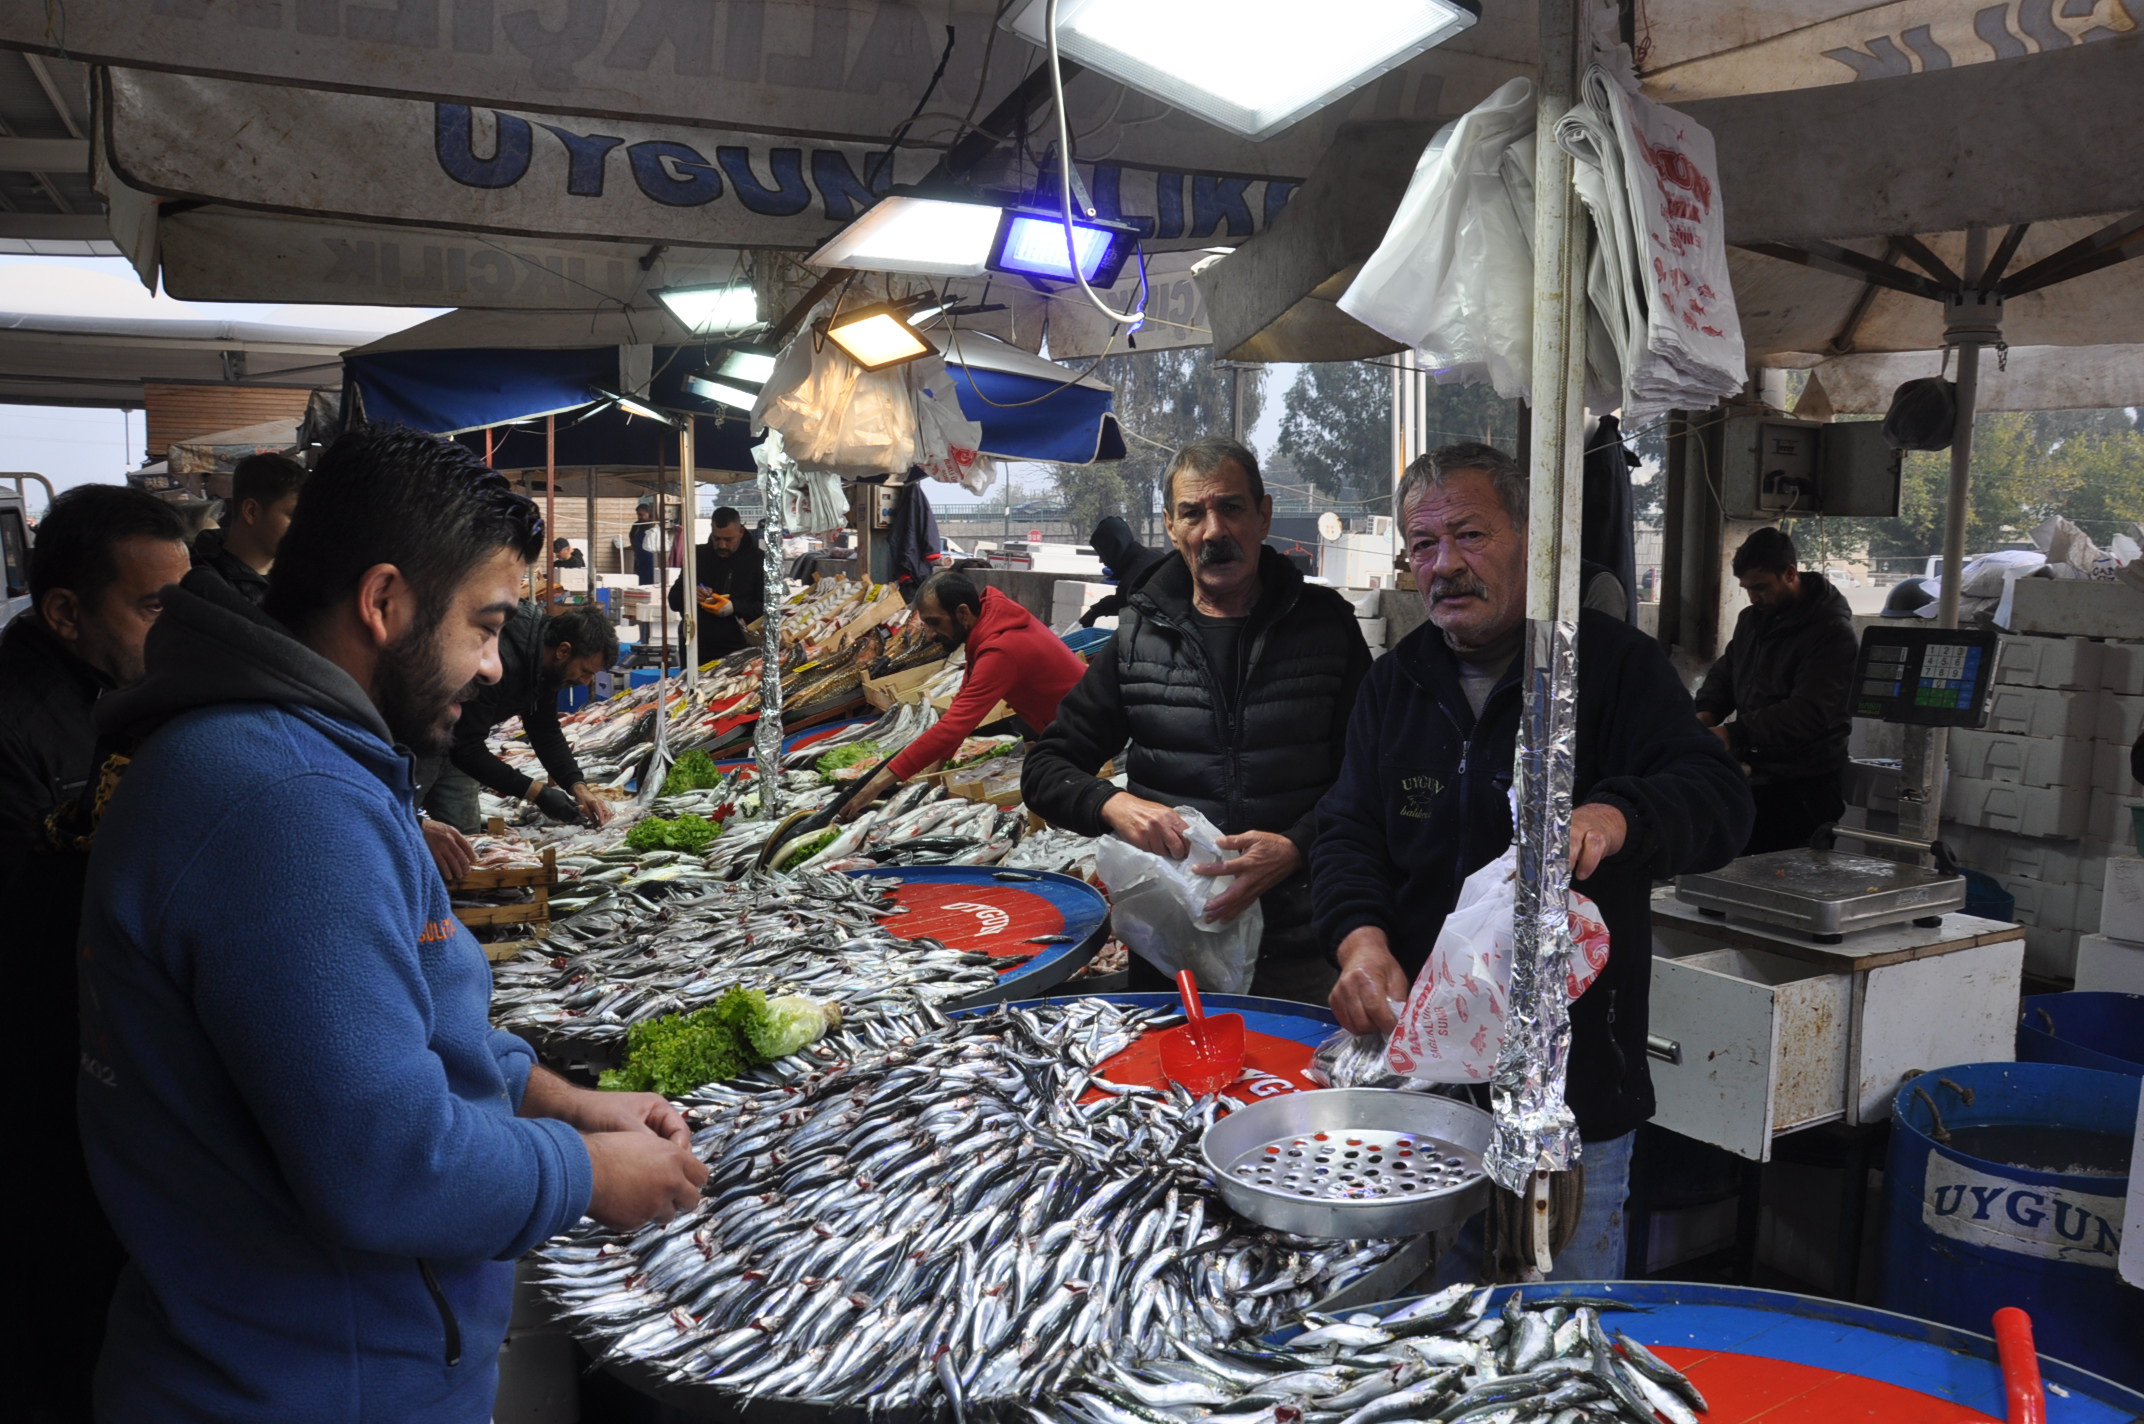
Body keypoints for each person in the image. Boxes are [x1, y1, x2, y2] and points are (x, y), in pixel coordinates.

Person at [76, 426, 706, 1423]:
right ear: (382, 602)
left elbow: (402, 1029)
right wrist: (582, 1170)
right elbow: (385, 1163)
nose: (498, 665)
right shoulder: (283, 800)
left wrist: (564, 1102)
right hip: (303, 1387)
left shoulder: (294, 759)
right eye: (485, 622)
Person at [1316, 442, 1751, 1281]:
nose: (1446, 566)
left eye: (1471, 535)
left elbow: (1719, 799)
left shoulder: (1616, 667)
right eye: (1424, 546)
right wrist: (1359, 942)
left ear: (1532, 541)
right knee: (1421, 1332)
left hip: (1576, 1093)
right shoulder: (1393, 684)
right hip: (1424, 1092)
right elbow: (1347, 833)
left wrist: (1617, 813)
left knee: (1556, 1340)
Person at [1024, 436, 1371, 1001]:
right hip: (1174, 950)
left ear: (1263, 515)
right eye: (1193, 513)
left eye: (1231, 507)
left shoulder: (1326, 628)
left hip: (1304, 937)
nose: (1213, 531)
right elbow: (1046, 767)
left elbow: (1369, 776)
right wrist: (1112, 804)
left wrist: (1297, 846)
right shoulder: (1138, 636)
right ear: (1170, 525)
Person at [0, 484, 190, 876]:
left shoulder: (145, 688)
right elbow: (34, 901)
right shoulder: (13, 729)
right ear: (66, 613)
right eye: (154, 608)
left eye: (184, 606)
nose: (182, 630)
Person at [837, 569, 1088, 821]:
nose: (931, 634)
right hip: (1056, 723)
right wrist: (937, 767)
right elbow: (962, 701)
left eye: (935, 622)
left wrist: (872, 787)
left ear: (963, 613)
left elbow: (954, 725)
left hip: (1085, 729)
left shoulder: (1001, 650)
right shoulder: (988, 622)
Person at [1694, 526, 1859, 854]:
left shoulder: (1832, 633)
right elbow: (1727, 673)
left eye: (1761, 587)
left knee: (1784, 884)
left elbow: (1809, 711)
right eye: (1746, 589)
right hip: (1755, 776)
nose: (1754, 597)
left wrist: (1732, 734)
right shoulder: (1752, 620)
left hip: (1805, 783)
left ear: (1789, 573)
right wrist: (1703, 715)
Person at [424, 601, 620, 834]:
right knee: (404, 830)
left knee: (465, 840)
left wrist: (577, 786)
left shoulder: (546, 666)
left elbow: (544, 729)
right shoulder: (499, 661)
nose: (586, 681)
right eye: (586, 671)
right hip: (420, 738)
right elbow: (465, 746)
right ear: (563, 651)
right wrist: (537, 792)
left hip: (459, 746)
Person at [188, 452, 306, 606]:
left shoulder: (298, 579)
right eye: (294, 516)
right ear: (251, 511)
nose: (303, 527)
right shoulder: (204, 590)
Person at [667, 505, 767, 665]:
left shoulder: (757, 560)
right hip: (697, 647)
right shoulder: (697, 556)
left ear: (741, 532)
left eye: (728, 540)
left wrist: (734, 607)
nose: (722, 545)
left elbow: (766, 608)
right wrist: (690, 595)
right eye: (716, 538)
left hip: (738, 649)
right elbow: (673, 599)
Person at [1078, 514, 1166, 626]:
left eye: (1102, 554)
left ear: (1113, 550)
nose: (1101, 560)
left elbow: (1120, 602)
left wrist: (1094, 611)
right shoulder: (1156, 556)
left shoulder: (1132, 581)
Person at [630, 499, 657, 585]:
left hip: (651, 555)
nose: (639, 517)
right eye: (638, 515)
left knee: (650, 574)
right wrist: (635, 549)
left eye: (641, 515)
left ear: (648, 513)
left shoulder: (653, 524)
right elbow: (631, 536)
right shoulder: (636, 525)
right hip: (639, 555)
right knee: (639, 575)